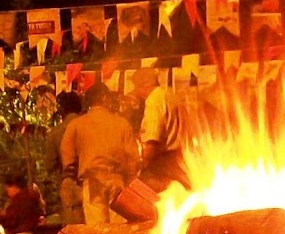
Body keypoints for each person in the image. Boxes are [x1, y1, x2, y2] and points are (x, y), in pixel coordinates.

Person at [60, 83, 139, 225]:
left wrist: (73, 178)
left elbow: (67, 157)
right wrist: (130, 181)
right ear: (105, 98)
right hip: (118, 181)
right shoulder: (122, 123)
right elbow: (133, 158)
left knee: (97, 228)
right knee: (119, 228)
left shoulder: (76, 124)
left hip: (92, 182)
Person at [131, 68, 191, 191]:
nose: (136, 92)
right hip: (180, 160)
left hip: (161, 165)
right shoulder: (171, 96)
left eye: (137, 87)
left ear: (145, 85)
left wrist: (142, 168)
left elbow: (152, 141)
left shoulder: (153, 102)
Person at [45, 91, 85, 224]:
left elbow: (49, 165)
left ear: (62, 110)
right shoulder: (92, 126)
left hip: (70, 183)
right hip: (93, 182)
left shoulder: (55, 133)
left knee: (73, 230)